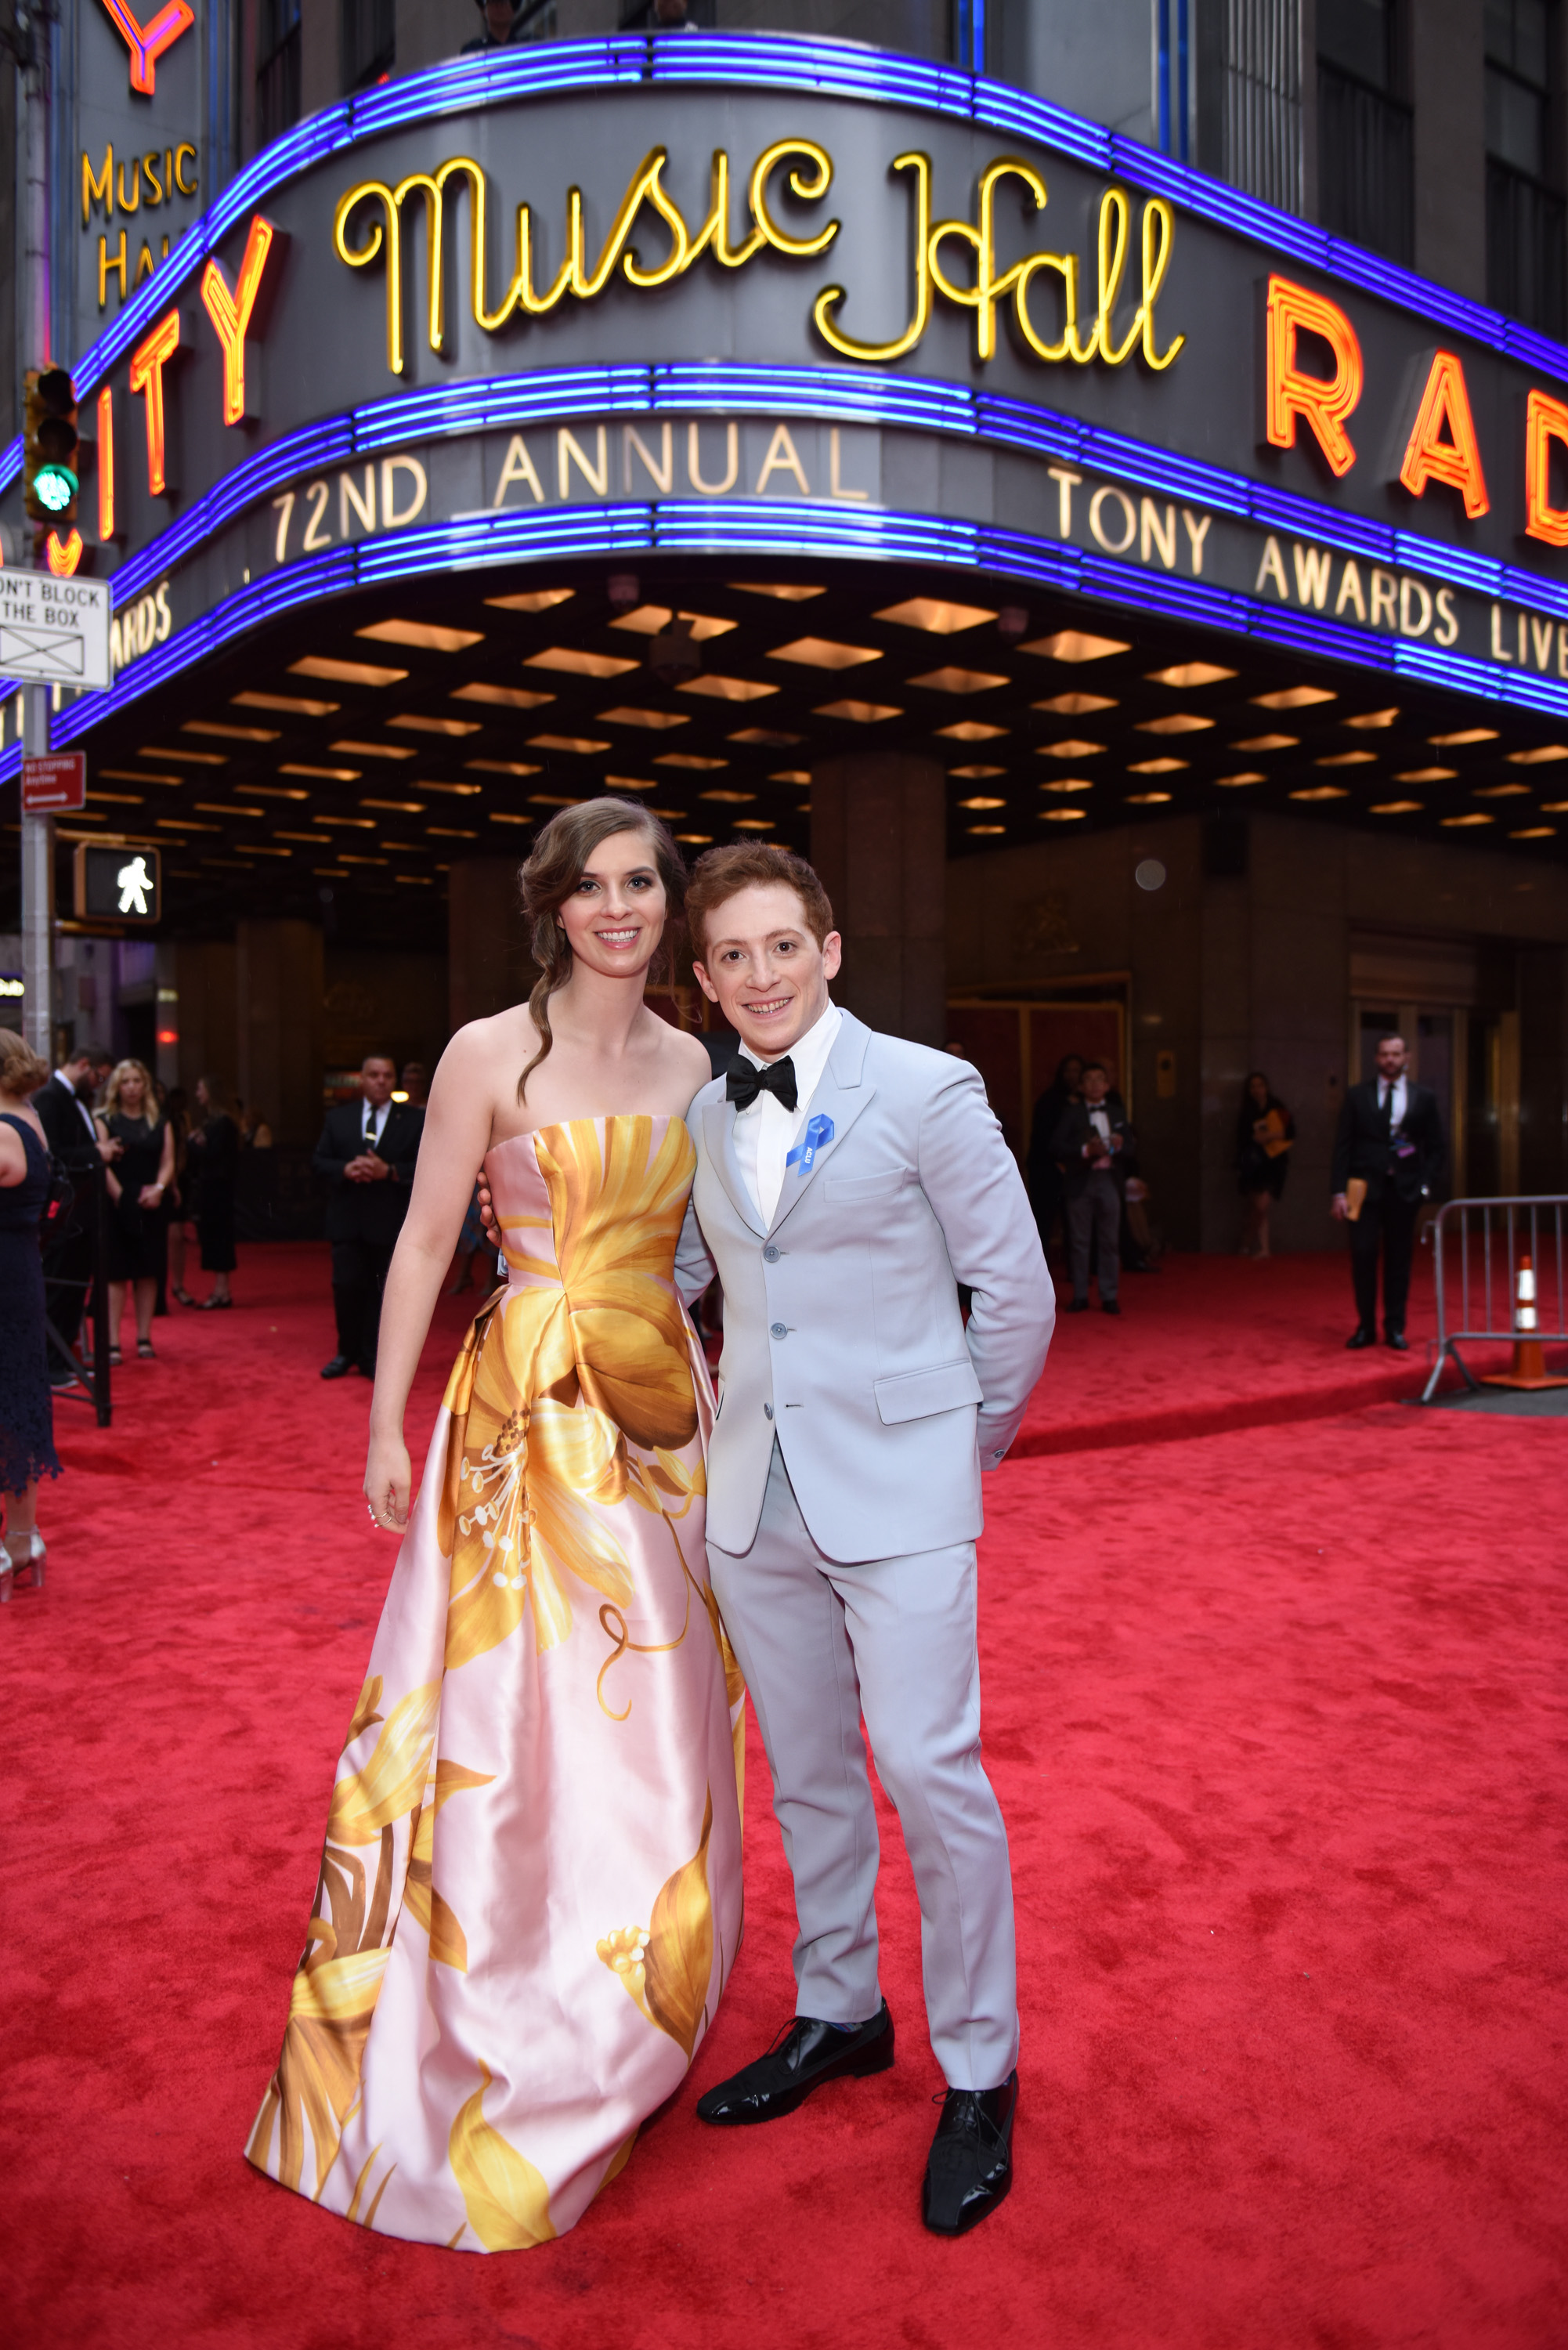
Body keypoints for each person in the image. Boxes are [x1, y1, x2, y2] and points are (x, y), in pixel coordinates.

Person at [246, 799, 743, 2252]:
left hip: (663, 1419)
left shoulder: (695, 1061)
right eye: (589, 887)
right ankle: (498, 1986)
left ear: (669, 904)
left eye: (641, 884)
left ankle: (635, 1985)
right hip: (521, 1416)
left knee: (663, 1711)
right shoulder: (485, 1052)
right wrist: (383, 1414)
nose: (618, 909)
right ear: (550, 905)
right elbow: (417, 1240)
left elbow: (716, 1257)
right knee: (507, 1713)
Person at [666, 842, 1052, 2237]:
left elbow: (1014, 1293)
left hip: (901, 1489)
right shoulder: (708, 1116)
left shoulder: (926, 1087)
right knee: (808, 1775)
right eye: (730, 956)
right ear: (702, 980)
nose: (758, 976)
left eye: (781, 946)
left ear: (828, 949)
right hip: (752, 1492)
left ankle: (980, 2067)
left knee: (924, 1768)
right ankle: (840, 2009)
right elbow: (688, 1274)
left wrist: (955, 1454)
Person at [1331, 1034, 1446, 1351]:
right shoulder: (1357, 1096)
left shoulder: (1423, 1097)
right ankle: (1365, 1327)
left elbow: (1435, 1147)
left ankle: (1395, 1327)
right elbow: (1342, 1146)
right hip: (1361, 1190)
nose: (1390, 1060)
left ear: (1406, 1057)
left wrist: (1424, 1184)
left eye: (1396, 1054)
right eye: (1384, 1054)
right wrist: (1337, 1192)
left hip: (1404, 1190)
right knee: (1363, 1256)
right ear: (1376, 1058)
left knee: (1399, 1261)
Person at [313, 1056, 425, 1379]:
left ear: (394, 1081)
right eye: (374, 1075)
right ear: (362, 1079)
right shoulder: (339, 1118)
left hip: (388, 1221)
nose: (381, 1081)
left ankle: (372, 1356)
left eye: (387, 1075)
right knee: (345, 1287)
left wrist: (388, 1171)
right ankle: (345, 1352)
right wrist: (345, 1169)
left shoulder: (413, 1120)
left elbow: (425, 1167)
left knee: (383, 1293)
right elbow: (319, 1162)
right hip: (346, 1220)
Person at [0, 1030, 62, 1600]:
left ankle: (16, 1543)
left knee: (11, 1405)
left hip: (6, 1277)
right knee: (16, 1404)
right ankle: (22, 1539)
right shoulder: (29, 1118)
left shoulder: (2, 1128)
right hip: (19, 1271)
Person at [32, 1047, 119, 1381]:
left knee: (74, 1291)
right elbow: (51, 1153)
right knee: (60, 1291)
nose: (99, 1084)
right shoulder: (51, 1099)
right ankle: (52, 1364)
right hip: (63, 1214)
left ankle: (65, 1357)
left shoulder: (74, 1099)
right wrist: (96, 1152)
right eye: (98, 1076)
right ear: (84, 1065)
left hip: (81, 1212)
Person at [96, 1059, 175, 1363]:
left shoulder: (160, 1121)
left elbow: (168, 1161)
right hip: (117, 1203)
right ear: (118, 1086)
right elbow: (100, 1162)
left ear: (145, 1086)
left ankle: (144, 1337)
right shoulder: (105, 1119)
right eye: (125, 1081)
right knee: (116, 1273)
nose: (131, 1087)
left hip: (152, 1203)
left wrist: (160, 1189)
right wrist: (119, 1196)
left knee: (148, 1271)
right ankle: (113, 1341)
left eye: (136, 1081)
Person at [1052, 1063, 1134, 1314]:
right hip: (1080, 1180)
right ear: (1081, 1086)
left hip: (1109, 1179)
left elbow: (1133, 1149)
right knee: (1079, 1241)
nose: (1095, 1084)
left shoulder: (1117, 1112)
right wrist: (1086, 1151)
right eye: (1089, 1080)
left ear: (1107, 1085)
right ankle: (1080, 1295)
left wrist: (1119, 1146)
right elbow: (1055, 1146)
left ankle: (1109, 1295)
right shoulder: (1071, 1113)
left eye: (1100, 1079)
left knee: (1110, 1241)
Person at [184, 1076, 239, 1310]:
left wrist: (193, 1144)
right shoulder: (215, 1122)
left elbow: (214, 1155)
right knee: (214, 1236)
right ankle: (220, 1289)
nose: (197, 1094)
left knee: (219, 1236)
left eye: (200, 1089)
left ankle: (222, 1291)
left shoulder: (223, 1123)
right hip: (213, 1186)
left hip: (219, 1187)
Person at [1025, 1053, 1082, 1253]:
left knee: (1076, 1223)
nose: (1072, 1075)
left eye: (1076, 1070)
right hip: (1046, 1168)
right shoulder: (1050, 1100)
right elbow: (1042, 1137)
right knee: (1044, 1219)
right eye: (1068, 1070)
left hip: (1076, 1169)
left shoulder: (1085, 1102)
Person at [1237, 1072, 1295, 1258]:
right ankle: (1263, 1247)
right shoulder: (1247, 1111)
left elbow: (1290, 1132)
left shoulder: (1277, 1107)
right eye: (1253, 1086)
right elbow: (1242, 1138)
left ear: (1266, 1087)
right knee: (1258, 1207)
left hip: (1274, 1162)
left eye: (1260, 1085)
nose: (1257, 1089)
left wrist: (1269, 1136)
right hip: (1254, 1163)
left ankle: (1248, 1241)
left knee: (1262, 1206)